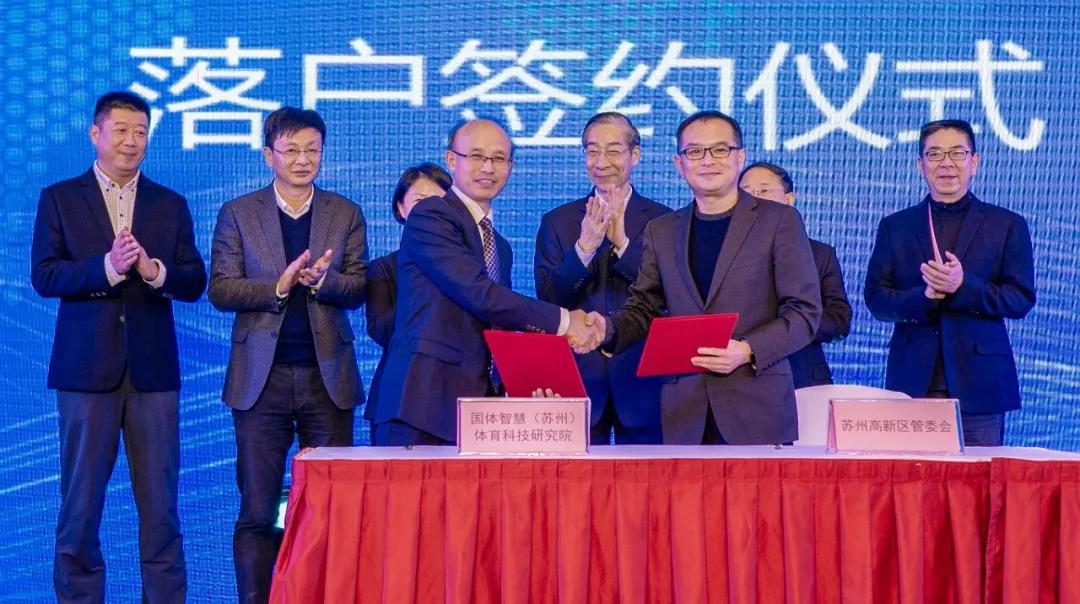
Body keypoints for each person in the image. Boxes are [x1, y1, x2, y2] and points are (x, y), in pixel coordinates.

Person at [31, 90, 206, 603]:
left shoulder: (169, 204)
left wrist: (155, 272)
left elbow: (194, 280)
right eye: (122, 130)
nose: (132, 141)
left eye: (141, 132)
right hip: (85, 374)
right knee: (80, 508)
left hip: (153, 376)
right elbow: (45, 275)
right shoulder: (60, 198)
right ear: (96, 133)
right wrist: (106, 269)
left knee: (161, 509)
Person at [207, 107, 367, 602]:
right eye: (291, 149)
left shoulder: (344, 212)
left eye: (312, 150)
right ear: (268, 155)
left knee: (332, 507)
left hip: (327, 377)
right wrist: (276, 288)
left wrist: (324, 281)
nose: (303, 159)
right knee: (257, 511)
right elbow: (221, 288)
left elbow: (359, 286)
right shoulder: (238, 212)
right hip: (261, 380)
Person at [584, 110, 821, 445]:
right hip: (685, 412)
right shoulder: (663, 230)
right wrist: (606, 329)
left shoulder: (779, 220)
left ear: (740, 157)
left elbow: (804, 312)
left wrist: (747, 350)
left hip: (756, 408)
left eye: (720, 149)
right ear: (679, 164)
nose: (708, 160)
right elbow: (644, 308)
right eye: (694, 151)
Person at [371, 118, 598, 446]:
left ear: (510, 166)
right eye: (477, 156)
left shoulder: (500, 246)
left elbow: (496, 320)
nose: (488, 168)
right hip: (419, 403)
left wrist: (531, 377)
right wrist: (565, 322)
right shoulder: (431, 215)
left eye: (499, 158)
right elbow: (479, 292)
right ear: (452, 160)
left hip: (477, 408)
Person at [864, 119, 1035, 446]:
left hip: (980, 383)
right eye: (935, 154)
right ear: (920, 165)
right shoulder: (896, 226)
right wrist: (925, 296)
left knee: (979, 477)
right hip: (913, 382)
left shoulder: (1007, 224)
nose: (946, 163)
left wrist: (963, 286)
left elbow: (1020, 298)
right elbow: (877, 299)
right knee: (913, 477)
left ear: (975, 162)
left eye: (957, 153)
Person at [534, 112, 671, 444]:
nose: (601, 162)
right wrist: (584, 248)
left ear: (634, 155)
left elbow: (670, 293)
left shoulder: (664, 220)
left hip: (644, 376)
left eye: (613, 150)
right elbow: (549, 301)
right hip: (577, 378)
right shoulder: (558, 221)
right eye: (592, 151)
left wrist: (622, 244)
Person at [738, 161, 852, 387]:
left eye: (764, 191)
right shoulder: (724, 253)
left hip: (802, 375)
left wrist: (789, 326)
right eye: (746, 192)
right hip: (741, 376)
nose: (755, 199)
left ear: (789, 199)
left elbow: (839, 320)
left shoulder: (819, 254)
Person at [364, 162, 451, 433]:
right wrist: (422, 284)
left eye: (440, 202)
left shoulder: (468, 269)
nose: (431, 211)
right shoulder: (384, 268)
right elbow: (380, 331)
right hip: (399, 396)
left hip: (456, 394)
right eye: (420, 202)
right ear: (401, 208)